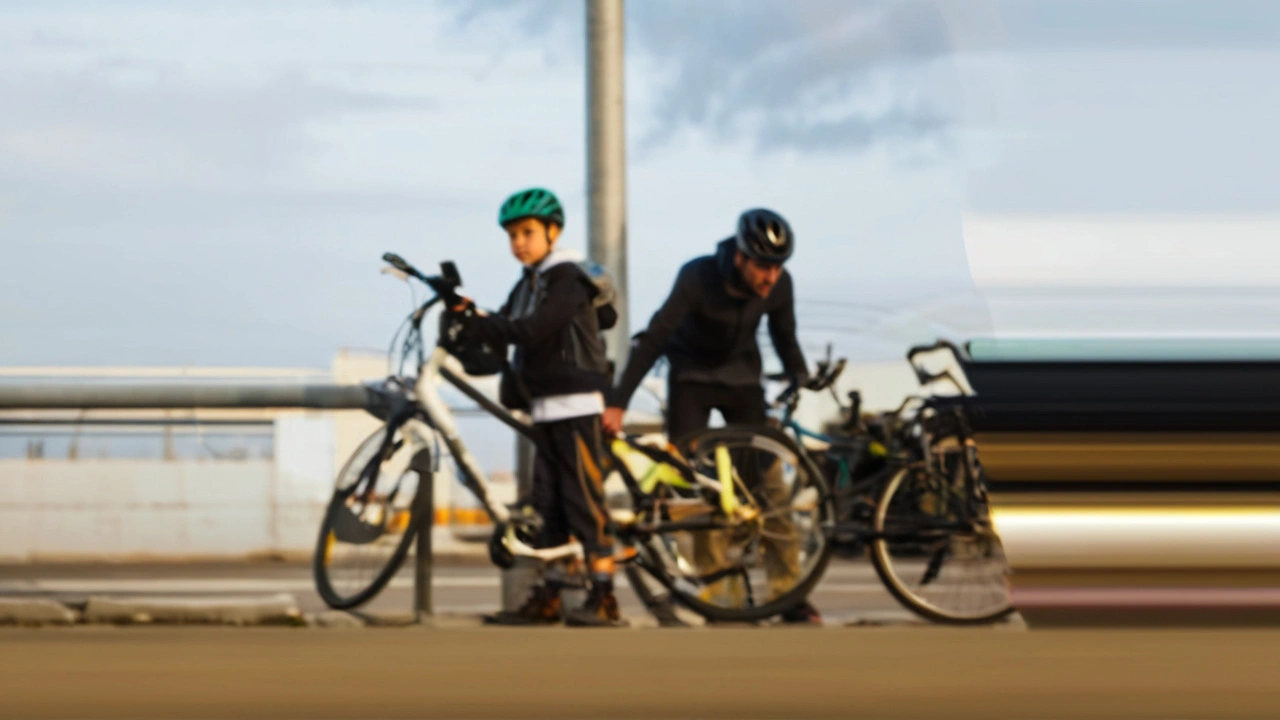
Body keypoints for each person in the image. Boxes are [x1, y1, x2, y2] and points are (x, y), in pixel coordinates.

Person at [601, 207, 822, 624]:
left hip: (742, 380)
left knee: (768, 484)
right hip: (692, 379)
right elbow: (655, 337)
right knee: (701, 488)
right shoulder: (697, 277)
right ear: (739, 257)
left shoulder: (779, 285)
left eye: (777, 268)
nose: (770, 277)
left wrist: (800, 376)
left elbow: (785, 336)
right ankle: (721, 596)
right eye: (762, 267)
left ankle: (788, 595)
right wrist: (618, 401)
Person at [454, 187, 625, 628]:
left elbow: (532, 330)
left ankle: (605, 597)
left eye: (527, 232)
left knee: (584, 502)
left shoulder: (566, 276)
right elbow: (504, 327)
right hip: (545, 406)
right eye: (512, 235)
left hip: (575, 403)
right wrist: (469, 316)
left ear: (553, 231)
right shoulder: (528, 281)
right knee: (549, 506)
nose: (518, 243)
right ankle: (548, 598)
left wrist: (487, 323)